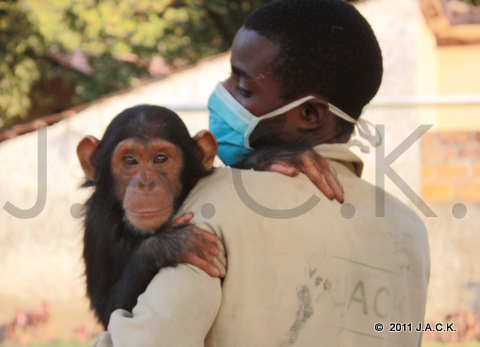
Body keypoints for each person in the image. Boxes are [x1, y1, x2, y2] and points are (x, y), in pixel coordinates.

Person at [93, 0, 429, 346]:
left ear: (311, 114)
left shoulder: (217, 200)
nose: (223, 92)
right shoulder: (409, 230)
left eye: (244, 89)